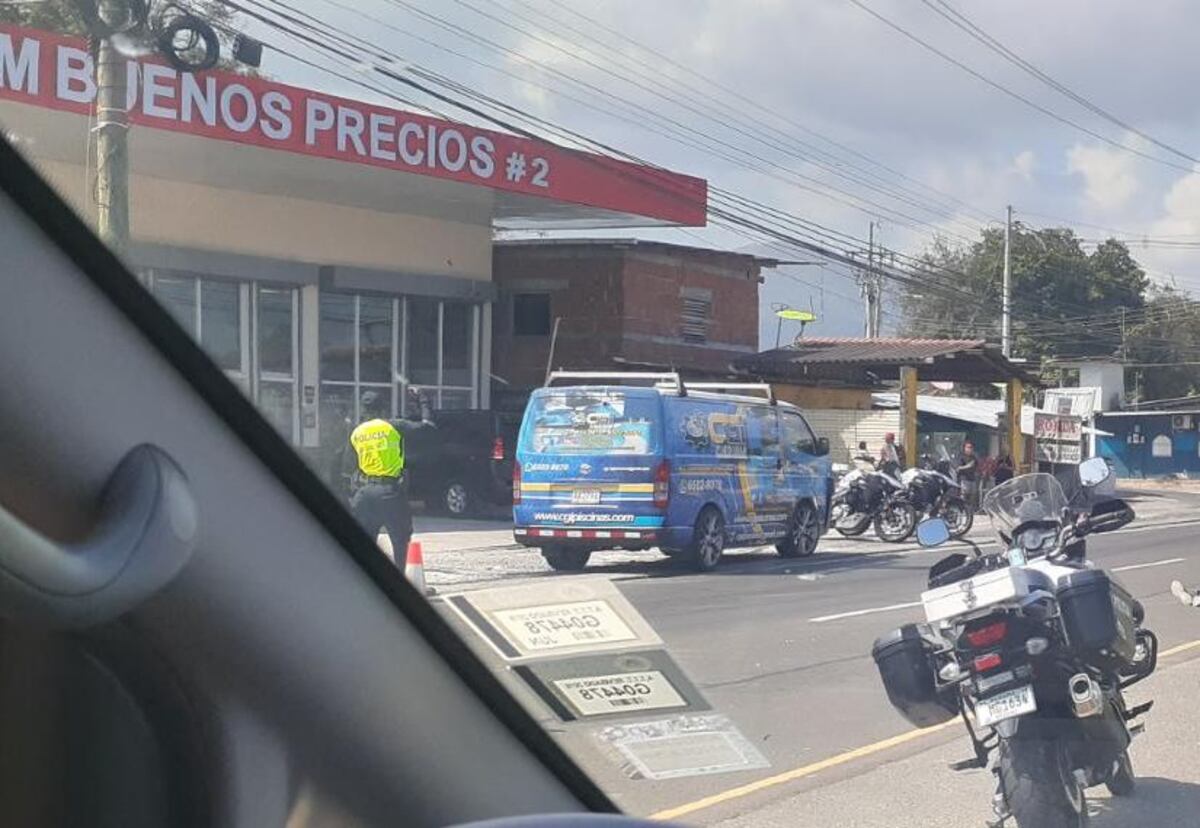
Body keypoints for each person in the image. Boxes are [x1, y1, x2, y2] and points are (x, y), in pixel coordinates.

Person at [346, 387, 435, 564]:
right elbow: (428, 427)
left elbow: (349, 465)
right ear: (383, 409)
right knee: (401, 540)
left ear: (363, 409)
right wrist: (423, 400)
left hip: (363, 493)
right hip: (389, 492)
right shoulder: (393, 425)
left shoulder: (357, 432)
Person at [957, 441, 979, 510]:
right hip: (964, 479)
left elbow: (976, 466)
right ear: (964, 448)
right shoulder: (961, 457)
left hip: (972, 479)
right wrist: (967, 466)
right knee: (964, 496)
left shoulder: (973, 457)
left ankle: (970, 510)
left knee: (973, 496)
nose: (970, 449)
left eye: (971, 447)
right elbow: (958, 468)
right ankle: (962, 510)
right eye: (968, 447)